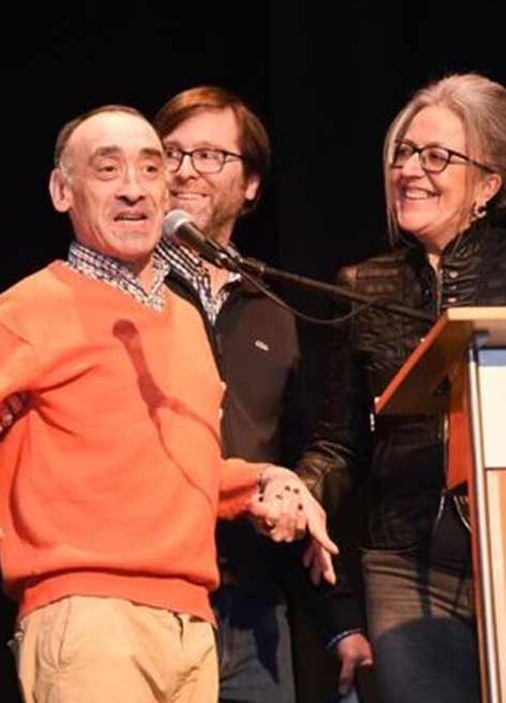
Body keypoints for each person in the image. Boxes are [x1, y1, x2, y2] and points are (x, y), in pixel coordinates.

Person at [0, 104, 338, 703]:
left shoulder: (185, 321)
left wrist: (267, 482)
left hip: (193, 625)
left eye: (149, 169)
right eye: (107, 170)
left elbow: (183, 467)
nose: (134, 190)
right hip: (90, 617)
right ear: (63, 191)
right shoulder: (30, 308)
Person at [301, 72, 506, 703]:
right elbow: (339, 445)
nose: (410, 170)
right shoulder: (360, 283)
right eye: (403, 153)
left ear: (487, 185)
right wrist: (301, 487)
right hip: (406, 565)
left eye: (436, 157)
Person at [154, 85, 350, 703]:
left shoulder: (278, 305)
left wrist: (340, 618)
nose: (185, 171)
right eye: (171, 154)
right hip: (148, 598)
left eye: (209, 155)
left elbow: (309, 454)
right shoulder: (123, 292)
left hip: (255, 612)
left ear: (252, 184)